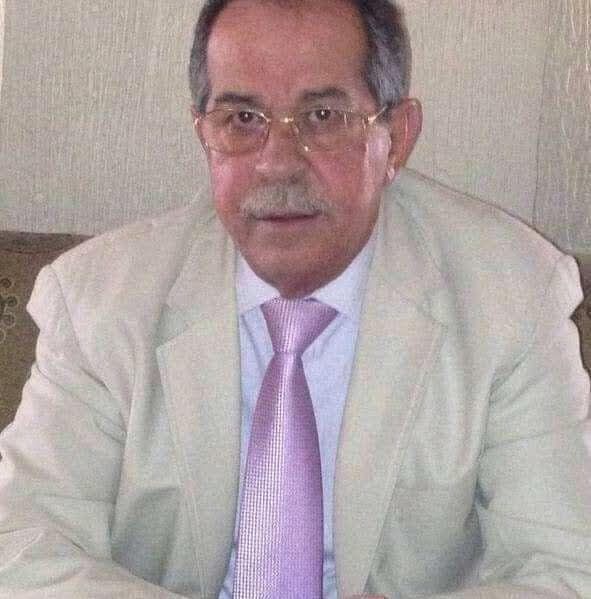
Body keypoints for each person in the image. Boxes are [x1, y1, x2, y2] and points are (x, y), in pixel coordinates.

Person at [0, 0, 590, 597]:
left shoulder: (511, 294)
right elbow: (20, 546)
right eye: (243, 119)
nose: (277, 163)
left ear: (396, 138)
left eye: (323, 116)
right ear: (204, 135)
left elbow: (566, 568)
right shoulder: (100, 302)